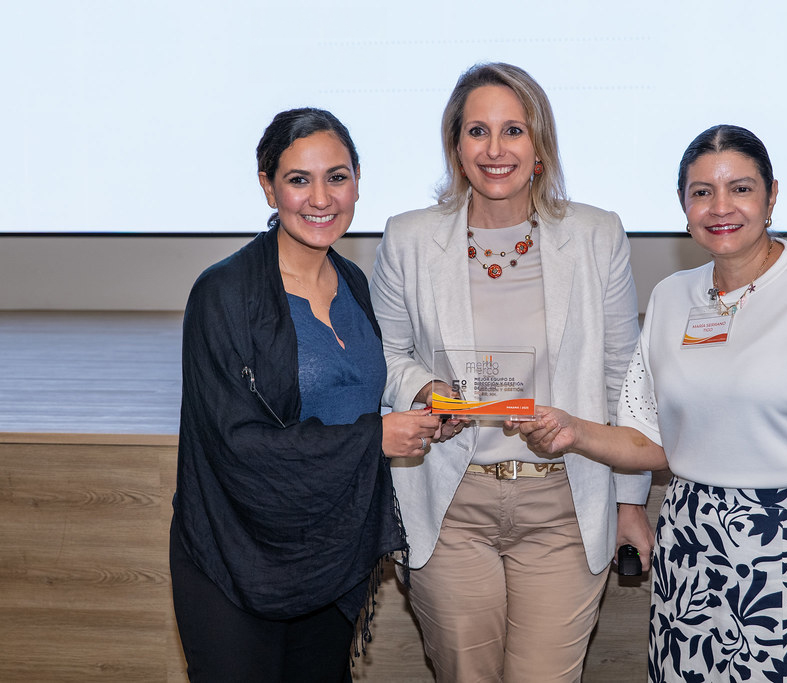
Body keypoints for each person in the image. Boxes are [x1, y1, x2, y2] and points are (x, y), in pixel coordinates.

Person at [515, 125, 787, 682]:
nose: (721, 207)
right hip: (692, 557)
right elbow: (652, 442)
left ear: (772, 196)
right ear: (683, 204)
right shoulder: (671, 296)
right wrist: (574, 430)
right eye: (702, 192)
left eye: (741, 188)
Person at [369, 62, 654, 682]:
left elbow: (623, 378)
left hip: (564, 502)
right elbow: (384, 356)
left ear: (539, 145)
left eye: (513, 131)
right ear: (456, 147)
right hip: (450, 503)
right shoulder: (408, 239)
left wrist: (631, 500)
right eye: (477, 131)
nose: (495, 149)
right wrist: (425, 388)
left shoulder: (596, 235)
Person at [169, 108, 440, 682]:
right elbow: (236, 446)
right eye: (299, 180)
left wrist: (419, 411)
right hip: (238, 556)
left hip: (331, 556)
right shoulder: (223, 293)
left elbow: (353, 397)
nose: (321, 198)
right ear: (268, 188)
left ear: (358, 181)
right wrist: (375, 438)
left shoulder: (355, 284)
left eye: (336, 177)